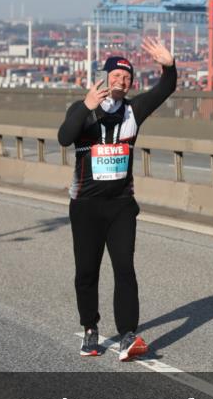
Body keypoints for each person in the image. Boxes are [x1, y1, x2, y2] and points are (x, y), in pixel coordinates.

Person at [57, 37, 176, 360]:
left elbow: (165, 89)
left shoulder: (133, 111)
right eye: (116, 75)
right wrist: (86, 107)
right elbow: (64, 137)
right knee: (87, 271)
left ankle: (127, 335)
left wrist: (169, 65)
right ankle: (90, 330)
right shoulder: (83, 109)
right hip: (85, 206)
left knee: (125, 267)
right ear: (105, 77)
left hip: (121, 205)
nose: (121, 80)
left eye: (127, 77)